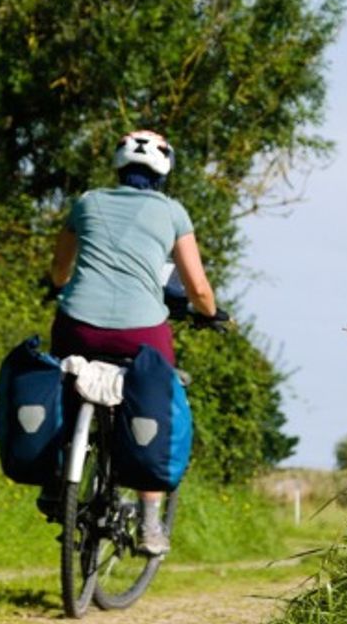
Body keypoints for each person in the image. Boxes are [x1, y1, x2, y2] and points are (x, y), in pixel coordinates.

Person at [48, 129, 222, 555]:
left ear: (119, 164)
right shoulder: (172, 213)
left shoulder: (87, 202)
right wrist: (211, 314)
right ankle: (149, 525)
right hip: (141, 333)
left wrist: (61, 285)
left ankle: (58, 481)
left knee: (64, 385)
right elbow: (197, 287)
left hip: (77, 326)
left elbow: (58, 271)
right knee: (153, 398)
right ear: (164, 168)